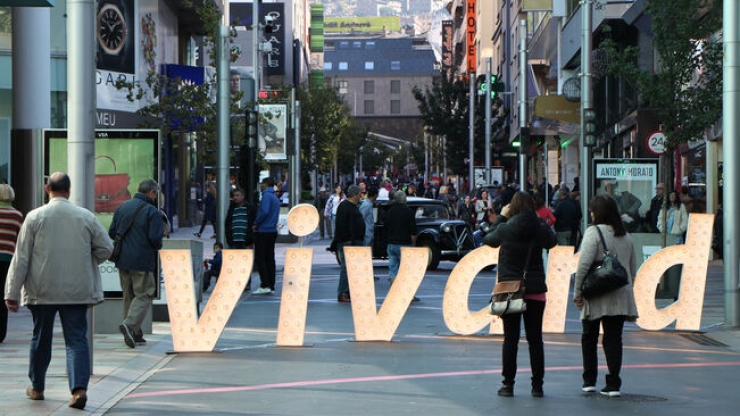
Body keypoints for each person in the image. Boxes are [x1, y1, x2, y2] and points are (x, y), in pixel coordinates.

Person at [4, 172, 113, 409]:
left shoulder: (34, 217)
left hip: (41, 290)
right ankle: (78, 390)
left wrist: (11, 293)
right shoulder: (85, 217)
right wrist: (86, 260)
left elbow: (21, 258)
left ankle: (37, 387)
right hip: (77, 290)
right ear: (69, 190)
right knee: (76, 340)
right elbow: (106, 248)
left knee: (40, 338)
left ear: (47, 189)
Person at [483, 191, 557, 397]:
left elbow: (489, 238)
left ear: (512, 207)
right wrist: (540, 220)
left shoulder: (506, 228)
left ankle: (508, 384)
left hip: (510, 290)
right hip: (534, 290)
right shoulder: (538, 227)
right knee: (535, 340)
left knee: (510, 339)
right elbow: (552, 241)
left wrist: (501, 216)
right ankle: (537, 386)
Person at [573, 194, 638, 397]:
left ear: (596, 212)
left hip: (596, 293)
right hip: (619, 294)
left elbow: (584, 264)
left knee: (589, 337)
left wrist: (577, 291)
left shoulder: (593, 232)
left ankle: (589, 379)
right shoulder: (625, 235)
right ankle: (613, 384)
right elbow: (632, 269)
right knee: (613, 338)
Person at [109, 179, 165, 349]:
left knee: (129, 296)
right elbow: (155, 240)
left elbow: (112, 232)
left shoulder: (123, 207)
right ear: (152, 192)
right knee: (145, 293)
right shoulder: (151, 211)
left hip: (123, 260)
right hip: (142, 260)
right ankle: (130, 325)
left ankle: (134, 333)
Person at [383, 191, 419, 300]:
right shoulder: (408, 212)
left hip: (391, 243)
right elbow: (413, 230)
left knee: (393, 269)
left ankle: (395, 290)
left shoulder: (389, 211)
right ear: (403, 199)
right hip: (404, 243)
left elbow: (385, 227)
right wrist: (414, 244)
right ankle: (408, 294)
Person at [332, 184, 365, 302]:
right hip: (349, 242)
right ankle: (343, 292)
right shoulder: (345, 206)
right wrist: (347, 239)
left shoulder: (352, 206)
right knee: (347, 268)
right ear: (355, 195)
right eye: (359, 194)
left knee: (353, 268)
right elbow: (341, 225)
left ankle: (349, 291)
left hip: (354, 241)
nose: (360, 197)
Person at [0, 183, 23, 343]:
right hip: (7, 260)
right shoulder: (16, 215)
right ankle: (1, 333)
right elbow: (20, 240)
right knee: (4, 295)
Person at [252, 177, 280, 294]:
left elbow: (264, 211)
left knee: (261, 258)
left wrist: (255, 223)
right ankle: (271, 285)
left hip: (263, 230)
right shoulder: (274, 197)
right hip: (272, 230)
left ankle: (265, 284)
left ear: (266, 184)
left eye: (262, 183)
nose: (261, 185)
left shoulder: (266, 196)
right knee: (270, 258)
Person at [225, 187, 256, 291]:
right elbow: (227, 223)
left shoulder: (250, 208)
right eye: (234, 196)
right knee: (235, 262)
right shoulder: (232, 208)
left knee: (245, 262)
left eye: (238, 195)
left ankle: (247, 283)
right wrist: (229, 238)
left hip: (245, 239)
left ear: (243, 196)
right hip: (234, 239)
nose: (235, 198)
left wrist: (251, 237)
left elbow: (253, 223)